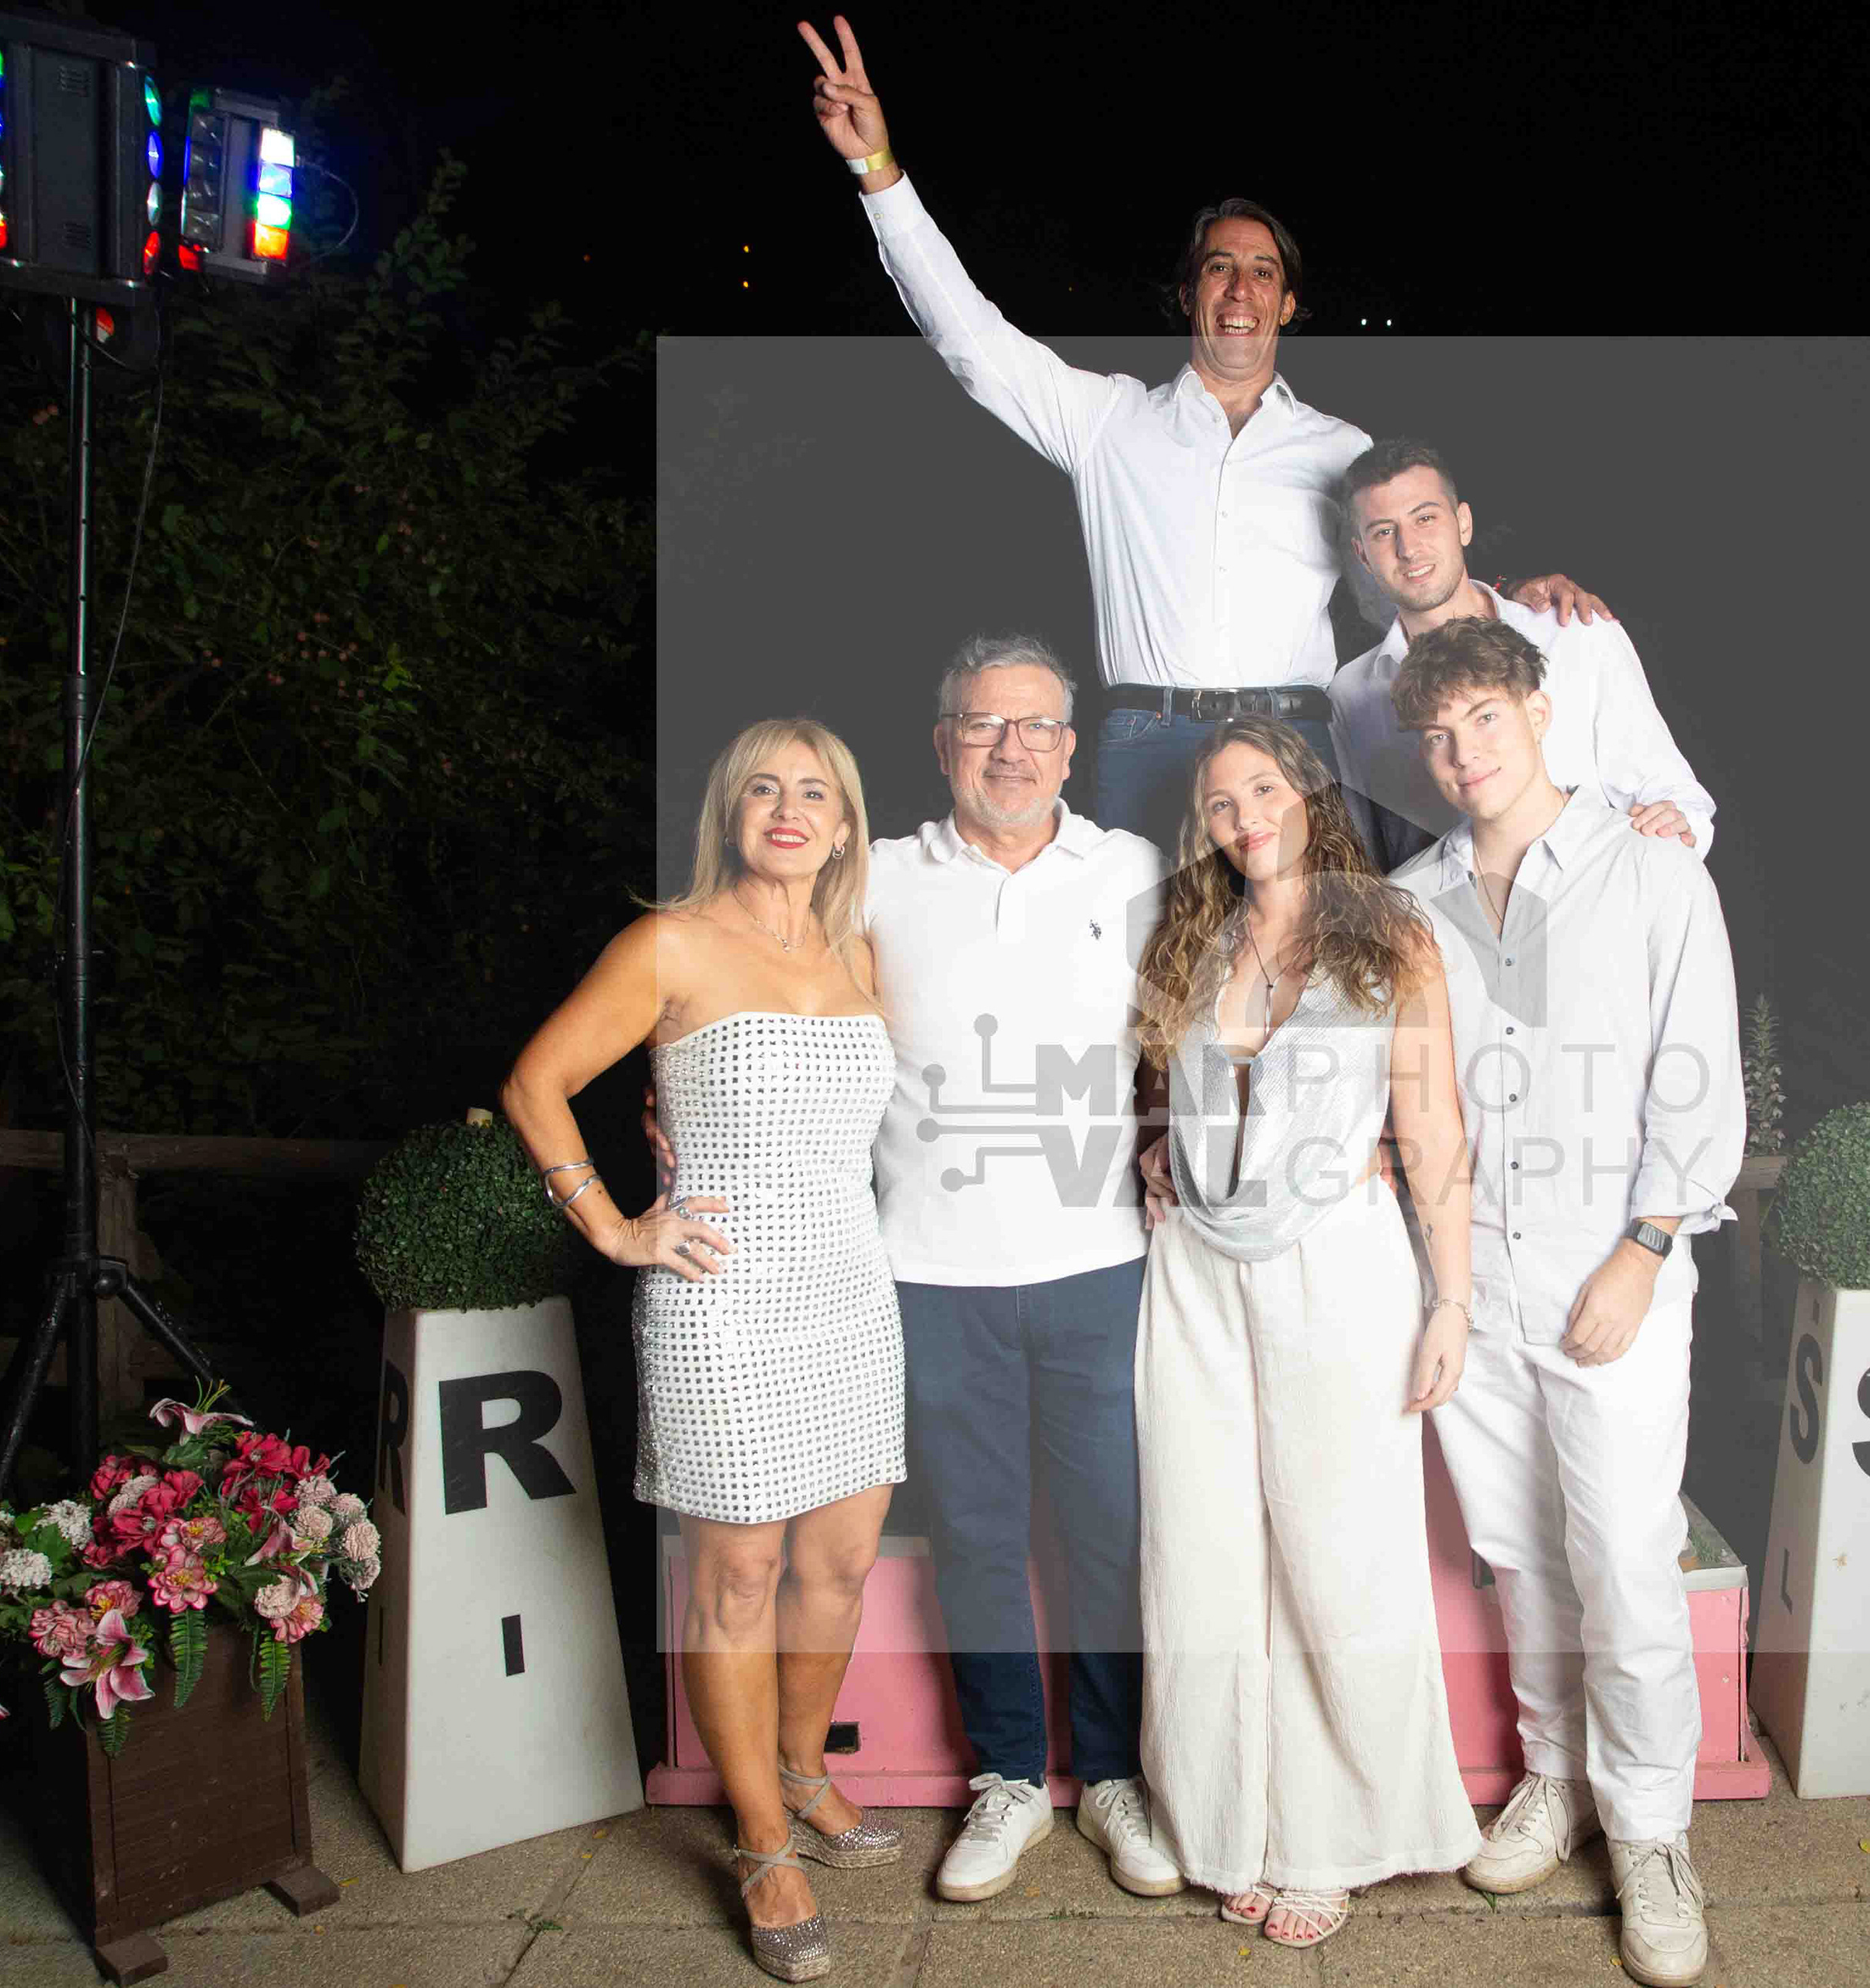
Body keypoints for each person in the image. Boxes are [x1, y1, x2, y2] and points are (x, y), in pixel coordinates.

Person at [648, 639, 1182, 1906]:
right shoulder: (874, 876)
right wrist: (666, 1093)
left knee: (1109, 1535)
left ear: (1073, 746)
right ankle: (1008, 1778)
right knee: (979, 1540)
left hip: (1103, 1263)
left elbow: (1231, 986)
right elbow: (738, 977)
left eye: (1037, 726)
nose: (1012, 748)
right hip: (925, 1275)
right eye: (983, 724)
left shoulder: (1136, 869)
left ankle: (1112, 1775)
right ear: (943, 744)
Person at [793, 14, 1607, 841]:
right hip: (1147, 743)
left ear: (1287, 305)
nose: (1241, 290)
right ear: (1190, 296)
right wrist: (877, 170)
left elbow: (1407, 579)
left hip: (1297, 741)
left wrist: (1517, 600)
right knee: (1150, 933)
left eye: (1263, 273)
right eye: (1220, 268)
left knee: (1315, 930)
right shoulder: (1107, 420)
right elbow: (972, 341)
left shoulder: (1341, 449)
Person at [505, 718, 904, 1984]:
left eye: (815, 793)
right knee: (739, 1576)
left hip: (851, 1290)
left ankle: (804, 1771)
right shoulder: (668, 943)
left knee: (839, 1565)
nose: (789, 809)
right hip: (721, 1300)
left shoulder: (859, 948)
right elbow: (535, 1083)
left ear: (844, 825)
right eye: (764, 788)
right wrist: (614, 1224)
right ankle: (763, 1844)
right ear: (730, 811)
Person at [1385, 618, 1746, 1988]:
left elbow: (1698, 1075)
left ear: (1539, 711)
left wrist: (1644, 1250)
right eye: (1438, 734)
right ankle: (1555, 1779)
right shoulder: (1415, 899)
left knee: (1624, 1556)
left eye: (1484, 718)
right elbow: (1416, 1098)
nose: (1463, 752)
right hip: (1474, 1274)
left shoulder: (1650, 868)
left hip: (1612, 1267)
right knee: (1521, 1552)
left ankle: (1652, 1834)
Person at [1129, 716, 1482, 1949]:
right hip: (1193, 1274)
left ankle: (1332, 1839)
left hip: (1338, 1261)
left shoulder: (1391, 933)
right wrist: (1161, 1153)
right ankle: (1228, 1821)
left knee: (1339, 1551)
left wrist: (1451, 1300)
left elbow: (1432, 1124)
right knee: (1203, 1548)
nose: (1245, 819)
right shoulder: (1192, 936)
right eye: (1221, 804)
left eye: (1265, 790)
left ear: (1311, 796)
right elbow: (1174, 1087)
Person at [1330, 437, 1720, 871]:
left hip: (1596, 894)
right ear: (1362, 555)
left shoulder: (1574, 633)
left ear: (1463, 524)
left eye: (1425, 518)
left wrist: (1674, 835)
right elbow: (1365, 855)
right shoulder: (1349, 695)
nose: (1408, 547)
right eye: (1384, 532)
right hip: (1442, 911)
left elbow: (1675, 799)